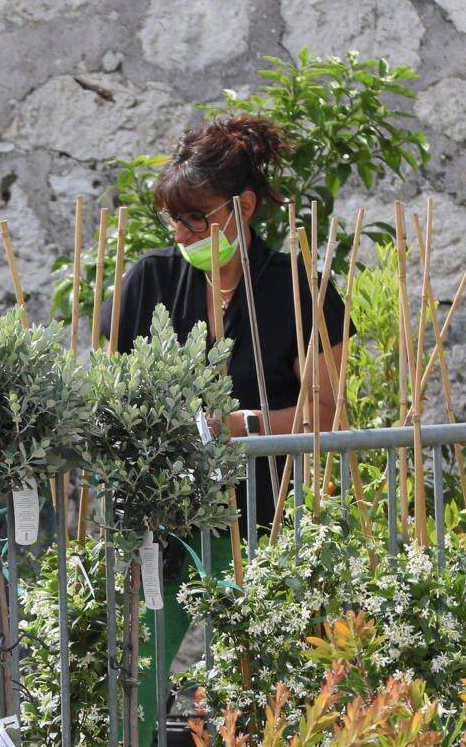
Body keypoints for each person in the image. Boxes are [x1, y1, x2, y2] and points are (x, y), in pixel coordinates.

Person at [112, 113, 348, 530]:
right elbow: (110, 398)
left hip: (273, 521)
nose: (181, 236)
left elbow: (328, 414)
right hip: (165, 523)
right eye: (173, 218)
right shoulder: (148, 281)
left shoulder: (300, 291)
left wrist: (243, 426)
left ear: (245, 206)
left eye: (196, 218)